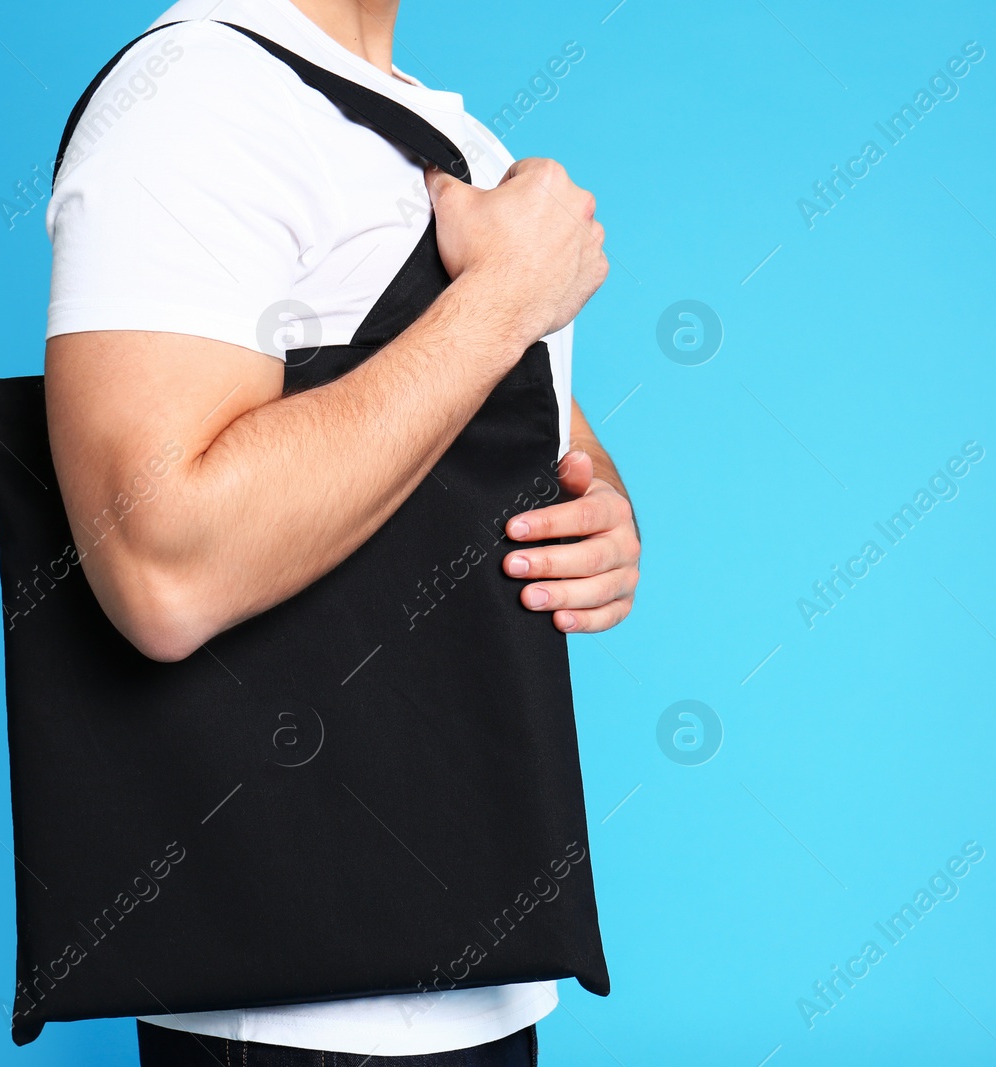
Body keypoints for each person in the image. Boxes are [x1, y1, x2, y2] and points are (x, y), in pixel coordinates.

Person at [42, 0, 640, 1062]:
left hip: (483, 962)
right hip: (290, 997)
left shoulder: (450, 141)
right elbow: (158, 567)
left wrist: (598, 518)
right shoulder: (190, 99)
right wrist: (503, 296)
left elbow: (496, 441)